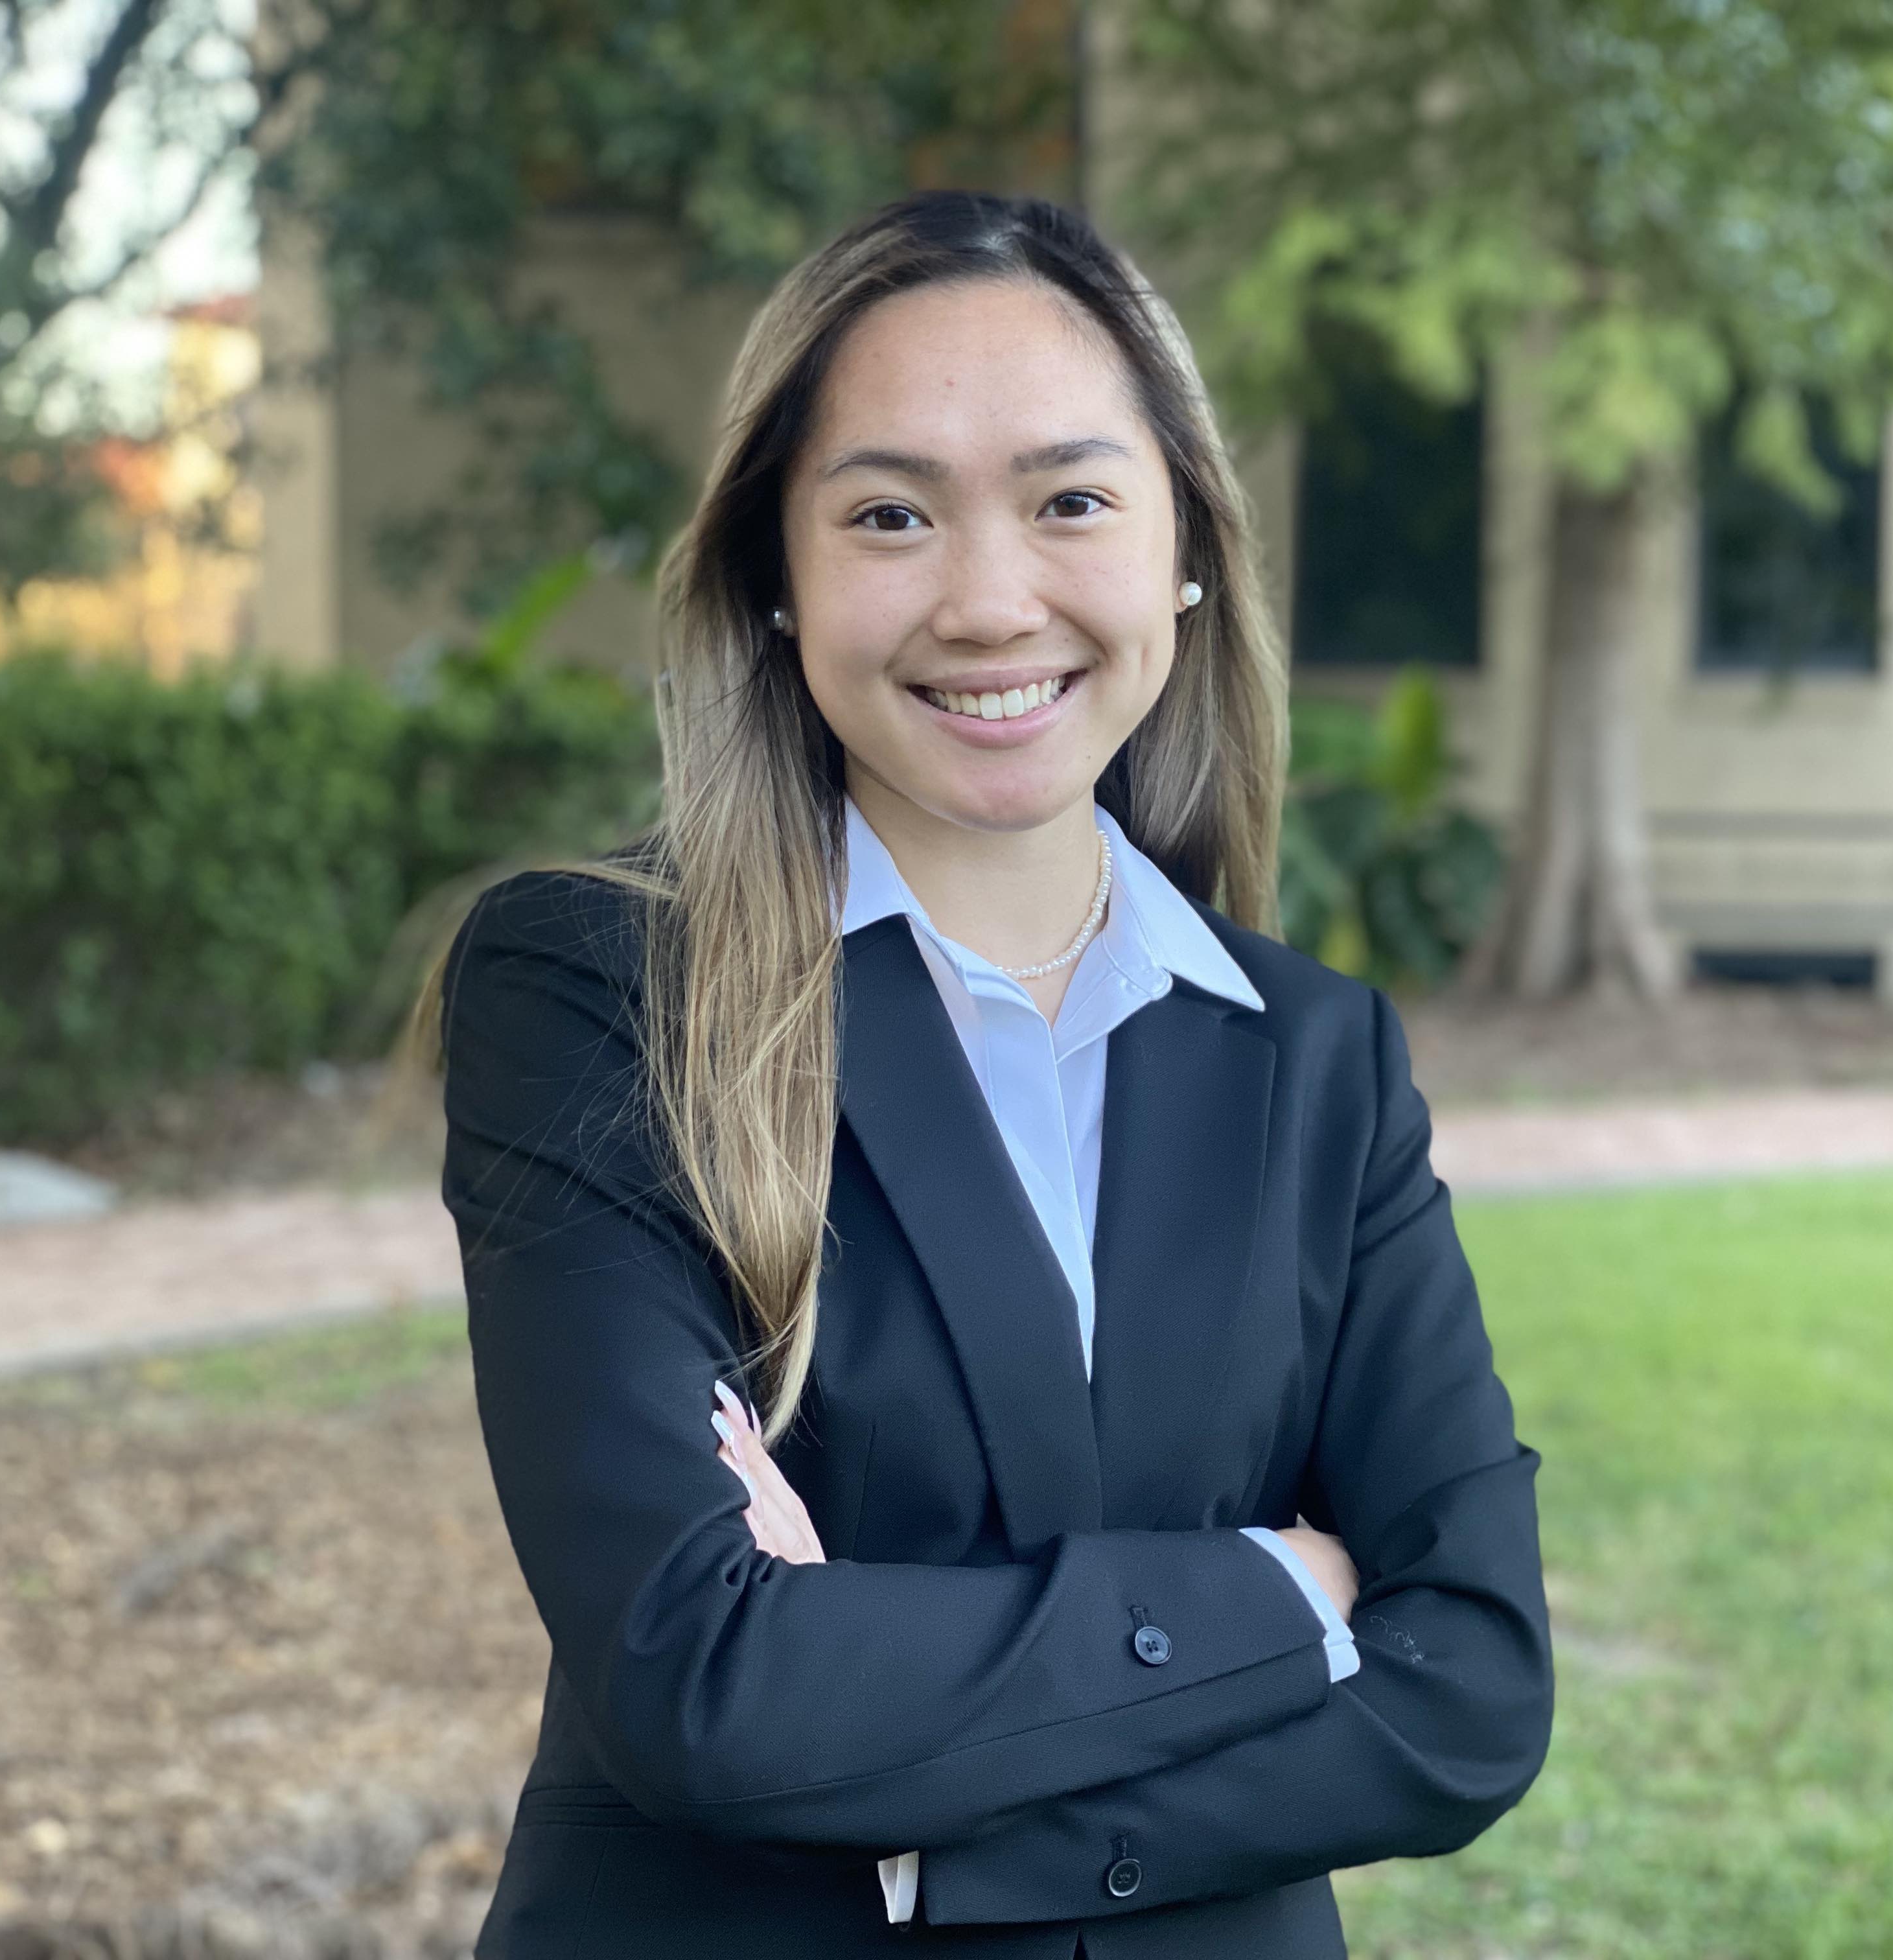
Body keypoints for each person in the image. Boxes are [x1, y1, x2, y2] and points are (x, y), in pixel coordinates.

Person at [433, 188, 1550, 1959]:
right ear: (775, 582)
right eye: (890, 514)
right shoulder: (600, 989)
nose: (989, 598)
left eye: (1072, 501)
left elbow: (1475, 1679)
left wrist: (941, 1831)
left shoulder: (1321, 1058)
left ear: (1186, 549)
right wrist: (1285, 1589)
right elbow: (703, 1680)